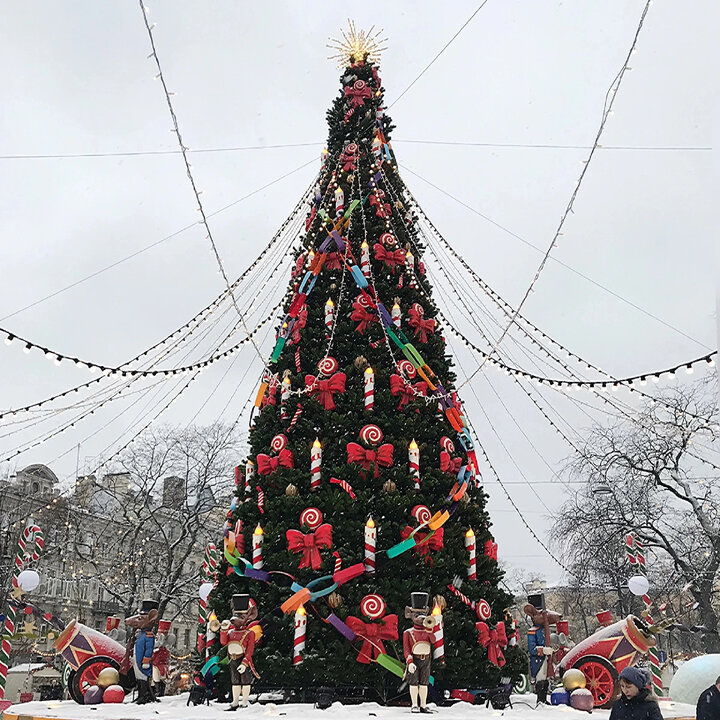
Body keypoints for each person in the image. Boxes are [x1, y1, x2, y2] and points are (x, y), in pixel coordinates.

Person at [219, 594, 260, 711]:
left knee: (245, 680)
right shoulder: (231, 632)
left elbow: (250, 649)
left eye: (240, 617)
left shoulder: (249, 633)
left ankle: (245, 701)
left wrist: (245, 662)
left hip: (243, 659)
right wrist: (223, 630)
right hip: (233, 658)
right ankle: (235, 701)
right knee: (235, 681)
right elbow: (223, 642)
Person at [403, 592, 437, 713]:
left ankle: (423, 704)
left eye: (423, 614)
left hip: (426, 659)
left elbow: (433, 641)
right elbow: (406, 649)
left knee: (424, 683)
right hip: (415, 659)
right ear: (409, 614)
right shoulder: (408, 632)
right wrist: (409, 661)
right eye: (417, 615)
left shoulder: (428, 631)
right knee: (413, 683)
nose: (421, 617)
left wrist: (429, 631)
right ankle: (414, 704)